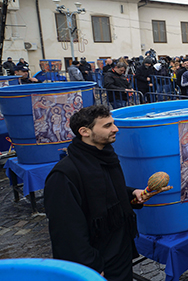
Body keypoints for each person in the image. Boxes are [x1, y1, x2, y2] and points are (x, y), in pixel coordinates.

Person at [44, 105, 148, 281]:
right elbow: (67, 231)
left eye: (113, 124)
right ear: (84, 131)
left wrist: (131, 194)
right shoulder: (64, 175)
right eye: (107, 126)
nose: (116, 129)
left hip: (119, 251)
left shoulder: (107, 156)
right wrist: (89, 266)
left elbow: (106, 191)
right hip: (95, 261)